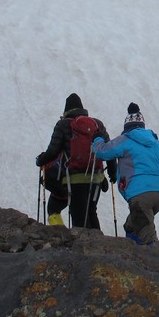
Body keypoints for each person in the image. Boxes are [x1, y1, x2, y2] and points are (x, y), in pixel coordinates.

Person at [91, 103, 159, 245]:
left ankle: (153, 263)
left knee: (148, 239)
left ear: (127, 127)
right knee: (131, 226)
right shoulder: (156, 143)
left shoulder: (125, 139)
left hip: (140, 195)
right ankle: (133, 255)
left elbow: (102, 152)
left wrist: (98, 139)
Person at [35, 93, 115, 229]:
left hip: (74, 180)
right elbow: (109, 150)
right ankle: (99, 247)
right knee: (91, 213)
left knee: (79, 219)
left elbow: (53, 152)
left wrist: (40, 160)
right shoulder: (97, 124)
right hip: (96, 179)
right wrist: (112, 173)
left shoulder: (63, 125)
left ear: (66, 111)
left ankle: (75, 244)